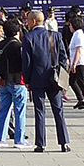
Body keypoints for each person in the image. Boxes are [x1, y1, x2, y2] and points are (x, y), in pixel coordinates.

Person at [21, 10, 69, 153]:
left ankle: (40, 144)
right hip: (54, 79)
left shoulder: (28, 38)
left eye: (28, 21)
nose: (27, 23)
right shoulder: (55, 35)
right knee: (58, 110)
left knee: (39, 111)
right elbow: (63, 57)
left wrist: (27, 80)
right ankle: (64, 142)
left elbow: (27, 62)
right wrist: (60, 74)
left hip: (36, 79)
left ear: (34, 21)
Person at [0, 18, 27, 149]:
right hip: (18, 81)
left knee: (3, 110)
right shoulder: (19, 46)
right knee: (19, 111)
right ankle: (20, 139)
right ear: (17, 31)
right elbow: (25, 64)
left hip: (3, 82)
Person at [67, 15, 84, 110]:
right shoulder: (77, 34)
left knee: (81, 82)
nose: (70, 27)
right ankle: (81, 99)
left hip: (80, 63)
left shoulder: (78, 34)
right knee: (72, 81)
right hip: (77, 62)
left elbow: (79, 50)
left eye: (70, 25)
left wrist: (74, 64)